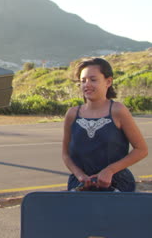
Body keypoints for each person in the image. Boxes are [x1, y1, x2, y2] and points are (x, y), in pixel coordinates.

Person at [61, 57, 148, 192]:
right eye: (83, 81)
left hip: (117, 185)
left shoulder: (118, 110)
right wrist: (79, 175)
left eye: (93, 80)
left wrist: (110, 170)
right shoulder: (72, 114)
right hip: (80, 185)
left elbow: (141, 150)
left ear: (108, 81)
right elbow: (66, 154)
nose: (87, 84)